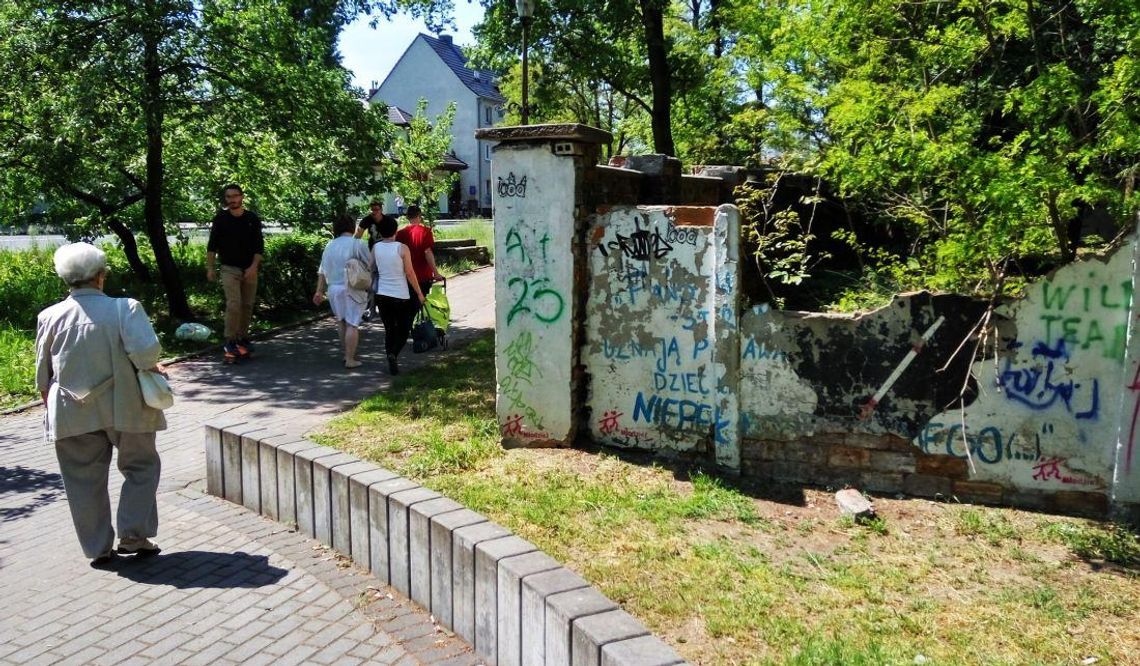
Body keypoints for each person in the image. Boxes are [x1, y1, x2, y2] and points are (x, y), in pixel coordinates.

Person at [35, 243, 166, 568]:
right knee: (141, 467)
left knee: (82, 479)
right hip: (127, 404)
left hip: (70, 409)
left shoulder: (49, 317)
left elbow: (42, 376)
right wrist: (153, 370)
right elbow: (147, 356)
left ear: (66, 278)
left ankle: (98, 548)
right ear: (100, 276)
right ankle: (134, 534)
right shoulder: (126, 308)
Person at [206, 184, 264, 364]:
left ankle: (242, 338)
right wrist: (210, 268)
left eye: (235, 196)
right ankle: (230, 340)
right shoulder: (221, 219)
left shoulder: (252, 218)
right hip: (229, 268)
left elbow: (259, 246)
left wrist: (254, 266)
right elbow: (212, 246)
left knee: (247, 305)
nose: (231, 200)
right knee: (234, 303)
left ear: (241, 197)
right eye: (228, 197)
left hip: (249, 268)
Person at [313, 215, 372, 369]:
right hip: (352, 288)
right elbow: (370, 264)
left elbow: (322, 271)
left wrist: (319, 291)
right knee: (353, 323)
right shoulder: (358, 244)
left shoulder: (329, 245)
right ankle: (350, 359)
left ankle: (347, 354)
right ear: (352, 227)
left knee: (341, 322)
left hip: (334, 289)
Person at [373, 215, 425, 374]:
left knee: (389, 329)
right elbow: (409, 273)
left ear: (380, 231)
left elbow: (371, 268)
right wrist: (419, 293)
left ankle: (390, 356)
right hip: (400, 295)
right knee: (404, 328)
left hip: (382, 295)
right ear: (395, 230)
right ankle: (393, 354)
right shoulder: (402, 248)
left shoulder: (376, 248)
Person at [395, 204, 442, 299]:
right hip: (423, 276)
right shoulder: (426, 231)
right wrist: (436, 273)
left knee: (408, 306)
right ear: (420, 216)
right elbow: (427, 252)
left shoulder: (400, 234)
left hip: (405, 277)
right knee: (421, 304)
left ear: (407, 217)